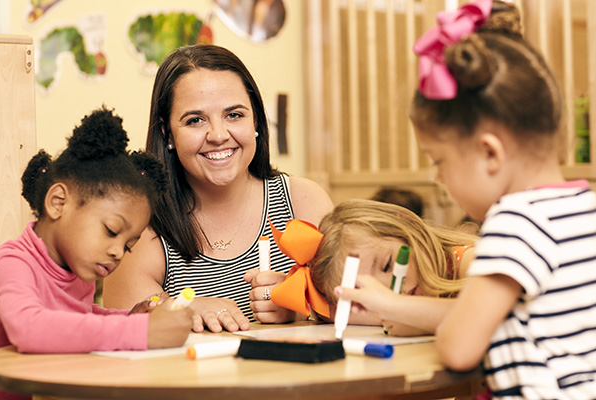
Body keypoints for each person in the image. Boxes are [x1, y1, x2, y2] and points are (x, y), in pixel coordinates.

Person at [337, 0, 596, 398]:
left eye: (440, 162)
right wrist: (394, 306)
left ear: (490, 153)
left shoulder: (516, 222)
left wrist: (403, 311)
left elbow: (459, 347)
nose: (439, 179)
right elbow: (488, 316)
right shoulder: (582, 207)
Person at [103, 44, 334, 331]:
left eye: (234, 115)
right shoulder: (142, 232)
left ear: (256, 121)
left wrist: (302, 310)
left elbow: (353, 305)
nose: (218, 135)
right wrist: (183, 308)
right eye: (195, 120)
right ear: (167, 133)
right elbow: (121, 337)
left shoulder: (303, 202)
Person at [0, 107, 194, 399]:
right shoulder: (13, 262)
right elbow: (30, 327)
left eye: (128, 245)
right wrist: (141, 334)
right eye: (112, 231)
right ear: (58, 203)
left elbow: (78, 317)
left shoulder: (76, 268)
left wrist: (132, 318)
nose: (118, 253)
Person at [309, 199, 475, 336]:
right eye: (370, 289)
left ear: (407, 225)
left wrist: (415, 316)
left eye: (387, 265)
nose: (390, 291)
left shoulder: (472, 262)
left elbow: (488, 316)